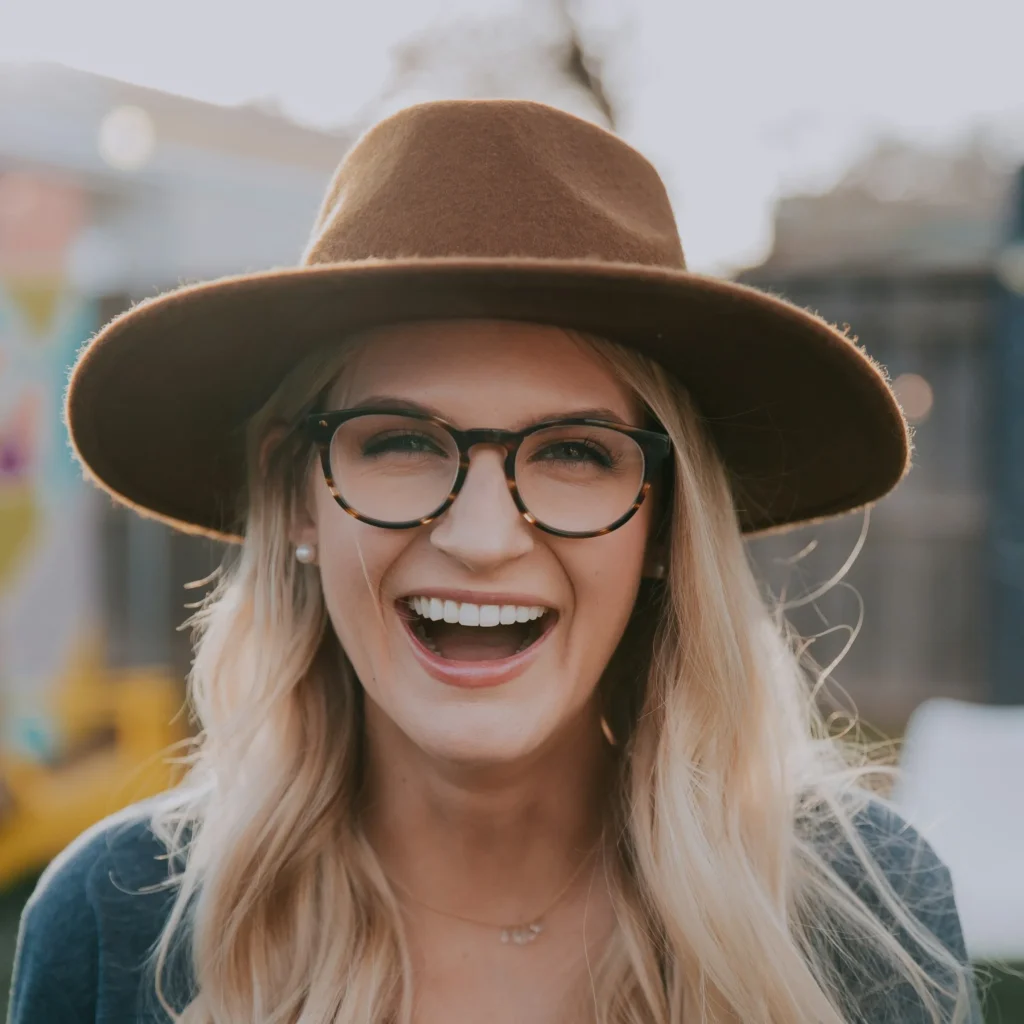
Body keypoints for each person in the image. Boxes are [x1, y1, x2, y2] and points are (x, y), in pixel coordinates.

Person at [8, 99, 980, 1024]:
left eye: (572, 452)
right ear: (297, 493)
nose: (480, 539)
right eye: (397, 442)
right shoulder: (116, 921)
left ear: (665, 521)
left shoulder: (859, 913)